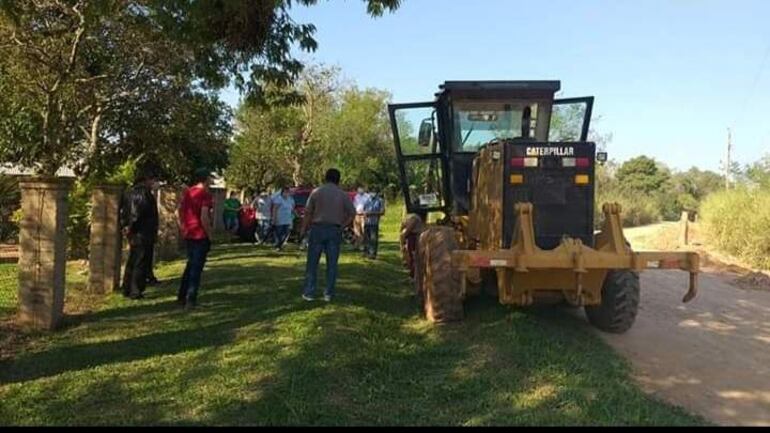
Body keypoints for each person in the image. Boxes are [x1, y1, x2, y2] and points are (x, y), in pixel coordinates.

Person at [300, 168, 356, 302]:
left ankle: (309, 292)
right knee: (332, 264)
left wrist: (303, 229)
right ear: (338, 179)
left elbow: (308, 213)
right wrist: (342, 226)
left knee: (312, 262)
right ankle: (329, 293)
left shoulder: (316, 192)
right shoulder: (342, 195)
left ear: (326, 178)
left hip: (317, 228)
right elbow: (352, 213)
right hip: (334, 229)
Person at [120, 167, 159, 300]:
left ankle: (127, 287)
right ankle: (135, 290)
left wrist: (125, 226)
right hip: (142, 232)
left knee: (133, 259)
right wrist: (132, 227)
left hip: (135, 231)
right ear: (146, 180)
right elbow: (137, 213)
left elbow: (124, 212)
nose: (153, 183)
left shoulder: (129, 192)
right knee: (140, 261)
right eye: (152, 180)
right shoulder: (143, 194)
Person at [177, 168, 214, 309]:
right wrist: (209, 234)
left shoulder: (188, 192)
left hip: (189, 233)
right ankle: (190, 300)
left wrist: (183, 226)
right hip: (200, 234)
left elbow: (178, 210)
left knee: (190, 265)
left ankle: (181, 296)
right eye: (210, 177)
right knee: (196, 269)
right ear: (205, 179)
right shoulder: (205, 194)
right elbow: (204, 217)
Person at [362, 189, 386, 259]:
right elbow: (364, 209)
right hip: (367, 222)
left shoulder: (380, 200)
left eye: (373, 192)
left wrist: (372, 213)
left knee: (373, 239)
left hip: (374, 222)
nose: (372, 193)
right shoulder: (367, 200)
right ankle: (366, 252)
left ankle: (373, 254)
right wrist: (364, 214)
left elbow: (382, 212)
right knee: (366, 238)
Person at [271, 186, 295, 251]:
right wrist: (274, 218)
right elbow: (275, 209)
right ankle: (278, 246)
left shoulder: (290, 199)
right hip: (279, 220)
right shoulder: (279, 199)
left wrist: (294, 215)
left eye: (288, 192)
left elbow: (292, 209)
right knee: (279, 233)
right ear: (282, 192)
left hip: (288, 220)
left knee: (286, 233)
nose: (287, 193)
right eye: (285, 192)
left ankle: (280, 245)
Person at [352, 186, 370, 251]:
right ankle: (357, 245)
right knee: (357, 231)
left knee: (364, 230)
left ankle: (365, 245)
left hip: (364, 215)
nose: (360, 190)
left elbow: (369, 206)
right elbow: (354, 205)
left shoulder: (367, 197)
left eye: (361, 188)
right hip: (357, 215)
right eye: (359, 189)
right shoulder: (356, 196)